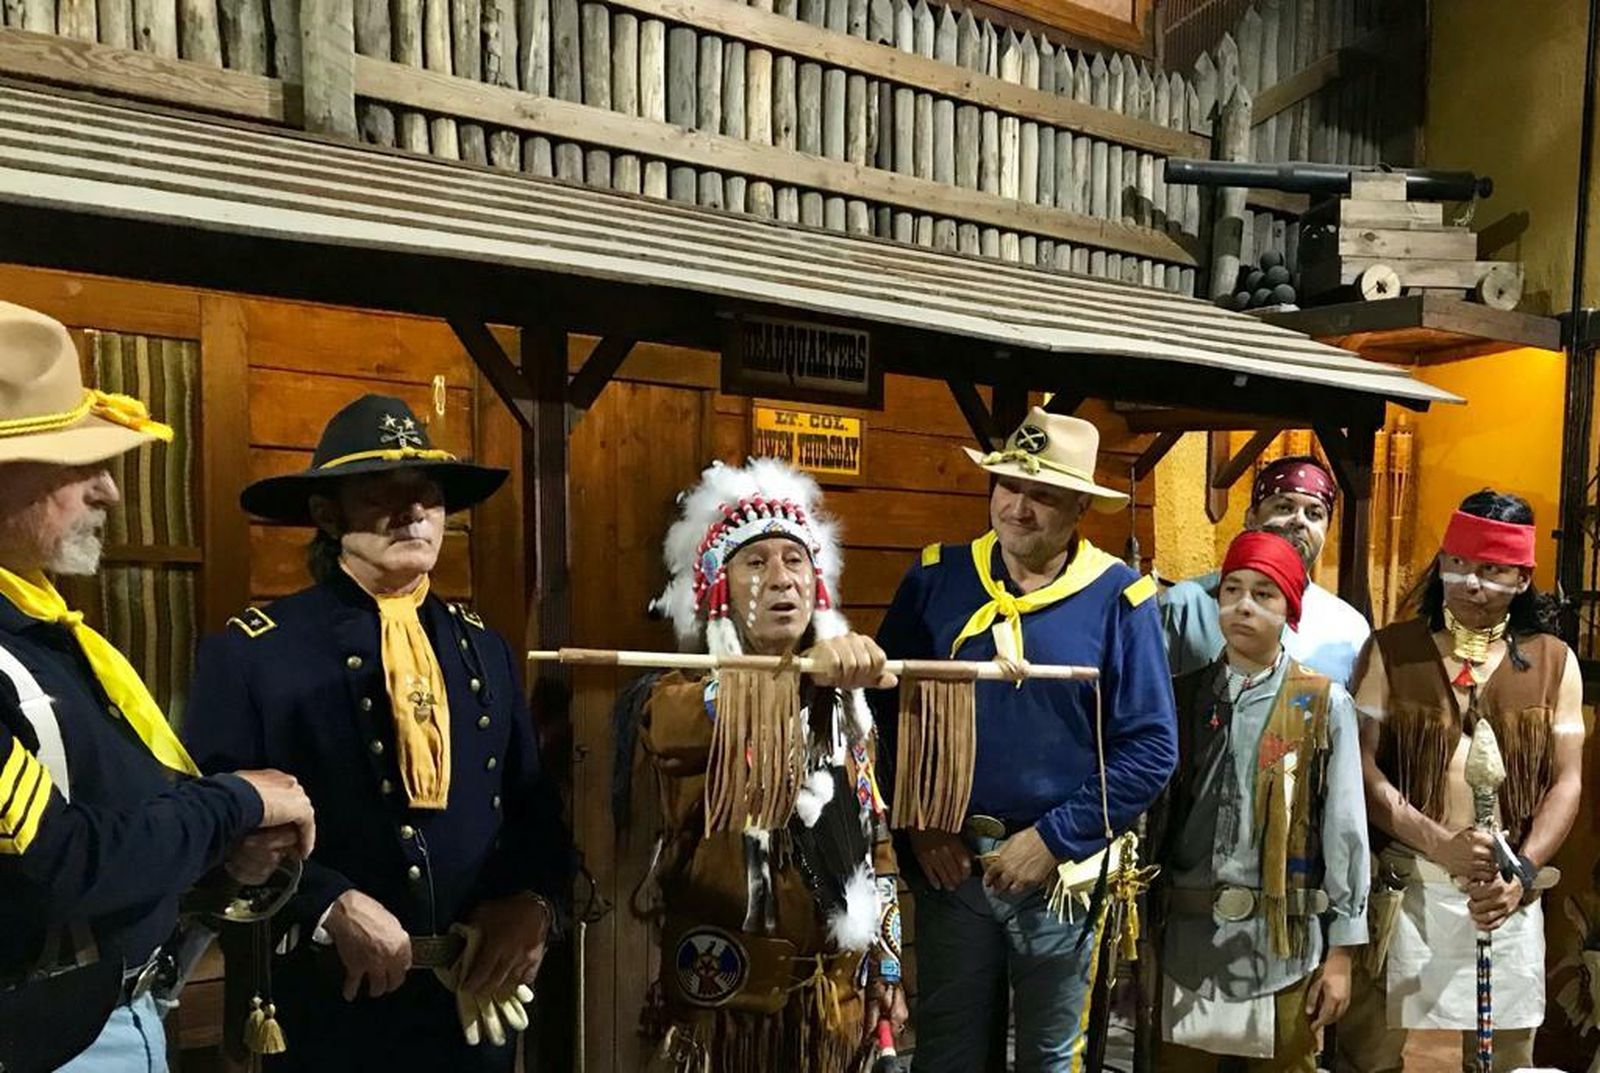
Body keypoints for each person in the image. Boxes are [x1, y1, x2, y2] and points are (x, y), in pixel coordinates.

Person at [184, 394, 575, 1071]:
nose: (413, 509)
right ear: (326, 514)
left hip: (468, 1011)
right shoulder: (253, 653)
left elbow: (534, 811)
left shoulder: (485, 650)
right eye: (381, 492)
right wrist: (326, 901)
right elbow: (214, 827)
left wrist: (535, 905)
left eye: (427, 491)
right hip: (324, 1004)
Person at [0, 301, 315, 1073]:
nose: (109, 491)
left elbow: (118, 816)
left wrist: (220, 858)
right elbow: (59, 864)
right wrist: (234, 801)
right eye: (81, 463)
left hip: (115, 1013)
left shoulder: (43, 629)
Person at [873, 407, 1177, 1073]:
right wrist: (921, 825)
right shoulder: (935, 578)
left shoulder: (1120, 599)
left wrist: (1051, 840)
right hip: (949, 862)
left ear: (1077, 509)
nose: (1018, 506)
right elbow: (886, 712)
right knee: (947, 1055)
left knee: (1049, 1061)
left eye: (1043, 495)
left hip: (1059, 874)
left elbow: (1152, 747)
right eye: (1008, 485)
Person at [637, 458, 906, 1072]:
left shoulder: (846, 711)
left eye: (794, 560)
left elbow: (875, 842)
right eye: (755, 563)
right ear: (718, 588)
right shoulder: (679, 699)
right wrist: (802, 678)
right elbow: (682, 731)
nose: (781, 579)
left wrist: (885, 969)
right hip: (725, 1009)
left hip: (830, 1007)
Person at [1337, 490, 1586, 1073]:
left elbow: (1567, 782)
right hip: (1404, 887)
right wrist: (1435, 840)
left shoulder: (1554, 661)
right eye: (1458, 564)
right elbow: (1361, 766)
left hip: (1505, 895)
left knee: (1505, 1060)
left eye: (1492, 570)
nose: (1472, 583)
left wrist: (1520, 874)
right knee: (1372, 1055)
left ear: (1522, 578)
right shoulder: (1391, 650)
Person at [1155, 530, 1368, 1071]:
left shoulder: (1320, 702)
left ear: (1290, 610)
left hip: (1284, 943)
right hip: (1184, 938)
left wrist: (1340, 955)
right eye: (1231, 590)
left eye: (1263, 594)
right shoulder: (1180, 698)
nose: (1242, 606)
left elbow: (1345, 829)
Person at [1163, 455, 1371, 685]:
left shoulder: (1348, 628)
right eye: (1284, 507)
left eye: (1314, 514)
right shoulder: (1186, 606)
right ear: (1251, 518)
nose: (1299, 521)